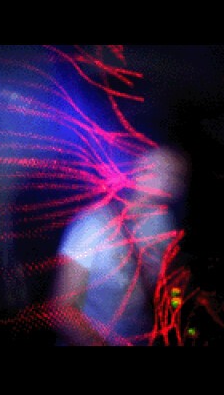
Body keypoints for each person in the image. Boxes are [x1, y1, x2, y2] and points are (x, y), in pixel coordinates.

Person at [50, 146, 189, 346]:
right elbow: (63, 310)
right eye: (155, 168)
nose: (167, 179)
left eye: (174, 173)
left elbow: (166, 284)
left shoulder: (163, 222)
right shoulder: (93, 224)